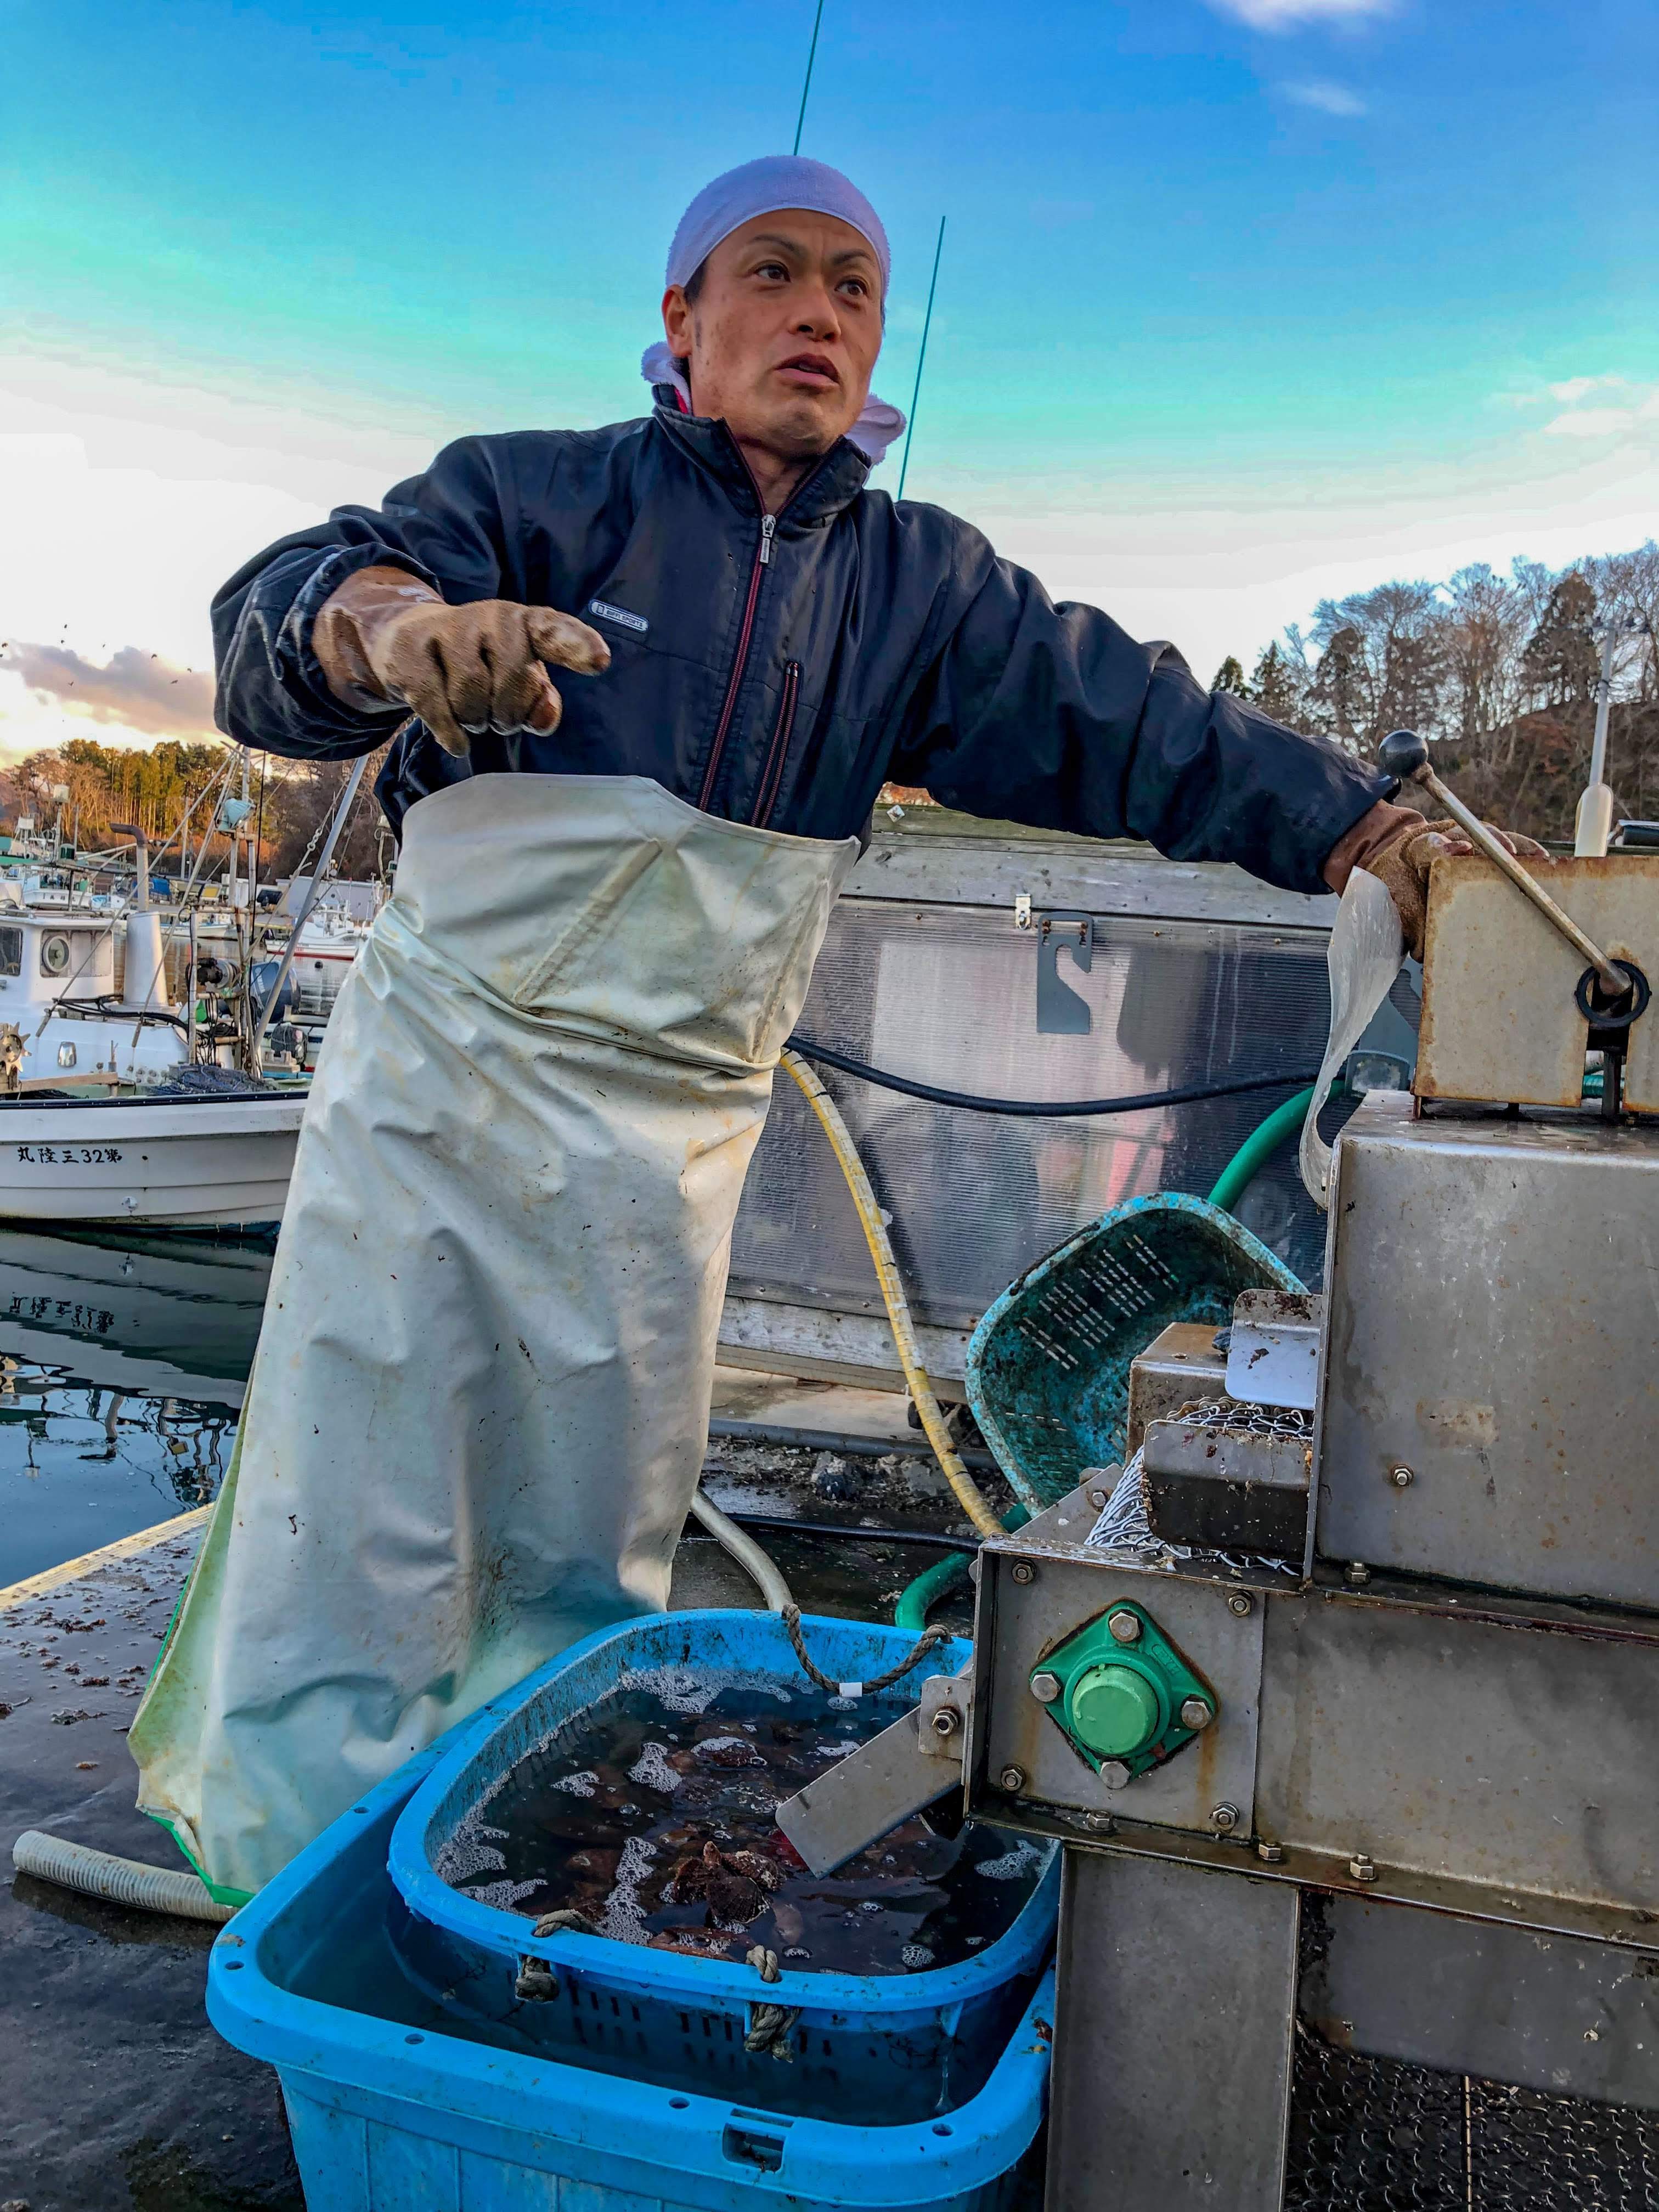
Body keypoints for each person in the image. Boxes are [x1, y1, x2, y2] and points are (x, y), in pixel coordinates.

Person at [131, 155, 1526, 1899]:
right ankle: (294, 1889)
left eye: (853, 289)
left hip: (673, 1146)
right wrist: (391, 631)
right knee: (361, 1512)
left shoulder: (926, 592)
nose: (817, 312)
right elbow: (283, 614)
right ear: (680, 321)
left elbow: (1147, 722)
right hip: (446, 1095)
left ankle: (507, 1884)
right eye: (772, 273)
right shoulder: (532, 495)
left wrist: (1366, 824)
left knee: (586, 1543)